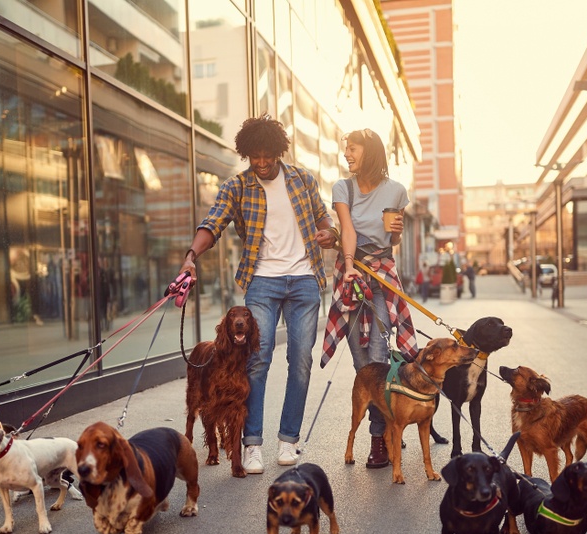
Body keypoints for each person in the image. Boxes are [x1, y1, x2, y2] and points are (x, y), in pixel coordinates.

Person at [174, 115, 338, 474]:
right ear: (246, 154)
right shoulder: (237, 187)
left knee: (301, 361)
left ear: (279, 152)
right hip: (262, 281)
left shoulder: (302, 180)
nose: (262, 163)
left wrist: (330, 235)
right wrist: (190, 257)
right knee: (257, 360)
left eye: (268, 156)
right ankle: (251, 445)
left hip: (304, 280)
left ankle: (288, 441)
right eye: (254, 157)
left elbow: (324, 221)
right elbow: (213, 222)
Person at [320, 128, 418, 469]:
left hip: (381, 276)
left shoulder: (396, 190)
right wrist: (348, 266)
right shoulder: (342, 187)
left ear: (370, 152)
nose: (347, 154)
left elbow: (394, 239)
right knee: (363, 364)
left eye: (353, 148)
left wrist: (395, 232)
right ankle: (389, 426)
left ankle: (380, 440)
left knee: (378, 355)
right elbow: (347, 230)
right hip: (351, 275)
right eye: (346, 148)